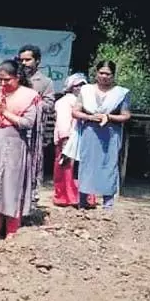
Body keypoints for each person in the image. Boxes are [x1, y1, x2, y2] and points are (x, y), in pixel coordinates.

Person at [0, 60, 44, 239]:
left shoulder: (28, 96)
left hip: (15, 147)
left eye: (7, 80)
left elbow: (28, 123)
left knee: (11, 187)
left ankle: (11, 230)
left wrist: (6, 113)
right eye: (0, 79)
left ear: (17, 77)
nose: (3, 84)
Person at [72, 60, 132, 210]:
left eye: (108, 74)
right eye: (101, 73)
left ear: (113, 75)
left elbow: (126, 115)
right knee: (87, 164)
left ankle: (108, 202)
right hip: (90, 131)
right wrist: (90, 117)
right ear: (96, 73)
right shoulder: (86, 90)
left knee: (109, 165)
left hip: (110, 133)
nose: (104, 76)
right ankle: (83, 200)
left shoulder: (121, 93)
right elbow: (75, 111)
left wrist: (109, 117)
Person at [18, 45, 55, 207]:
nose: (24, 63)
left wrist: (33, 101)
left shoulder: (45, 82)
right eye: (22, 60)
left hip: (33, 132)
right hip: (14, 129)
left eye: (28, 59)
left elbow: (49, 105)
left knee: (32, 162)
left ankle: (31, 197)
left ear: (37, 61)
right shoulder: (14, 78)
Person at [53, 73, 93, 207]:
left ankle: (85, 198)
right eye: (78, 85)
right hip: (69, 139)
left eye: (83, 85)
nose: (80, 88)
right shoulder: (65, 101)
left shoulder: (86, 102)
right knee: (67, 168)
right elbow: (63, 122)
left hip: (83, 140)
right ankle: (68, 198)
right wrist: (65, 139)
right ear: (71, 87)